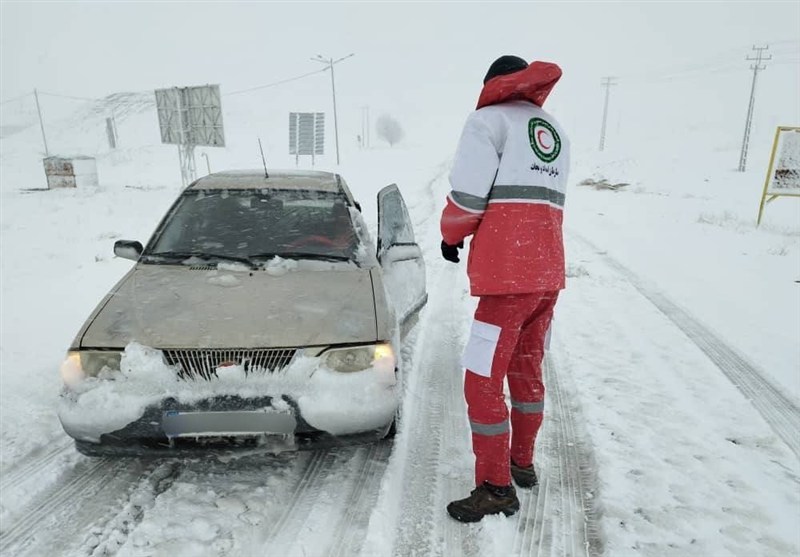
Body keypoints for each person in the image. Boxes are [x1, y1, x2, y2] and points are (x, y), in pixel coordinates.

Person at [440, 55, 570, 523]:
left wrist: (450, 236)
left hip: (507, 276)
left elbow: (468, 197)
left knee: (482, 377)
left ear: (493, 83)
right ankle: (522, 462)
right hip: (547, 273)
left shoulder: (487, 121)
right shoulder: (551, 129)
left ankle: (495, 486)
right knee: (527, 366)